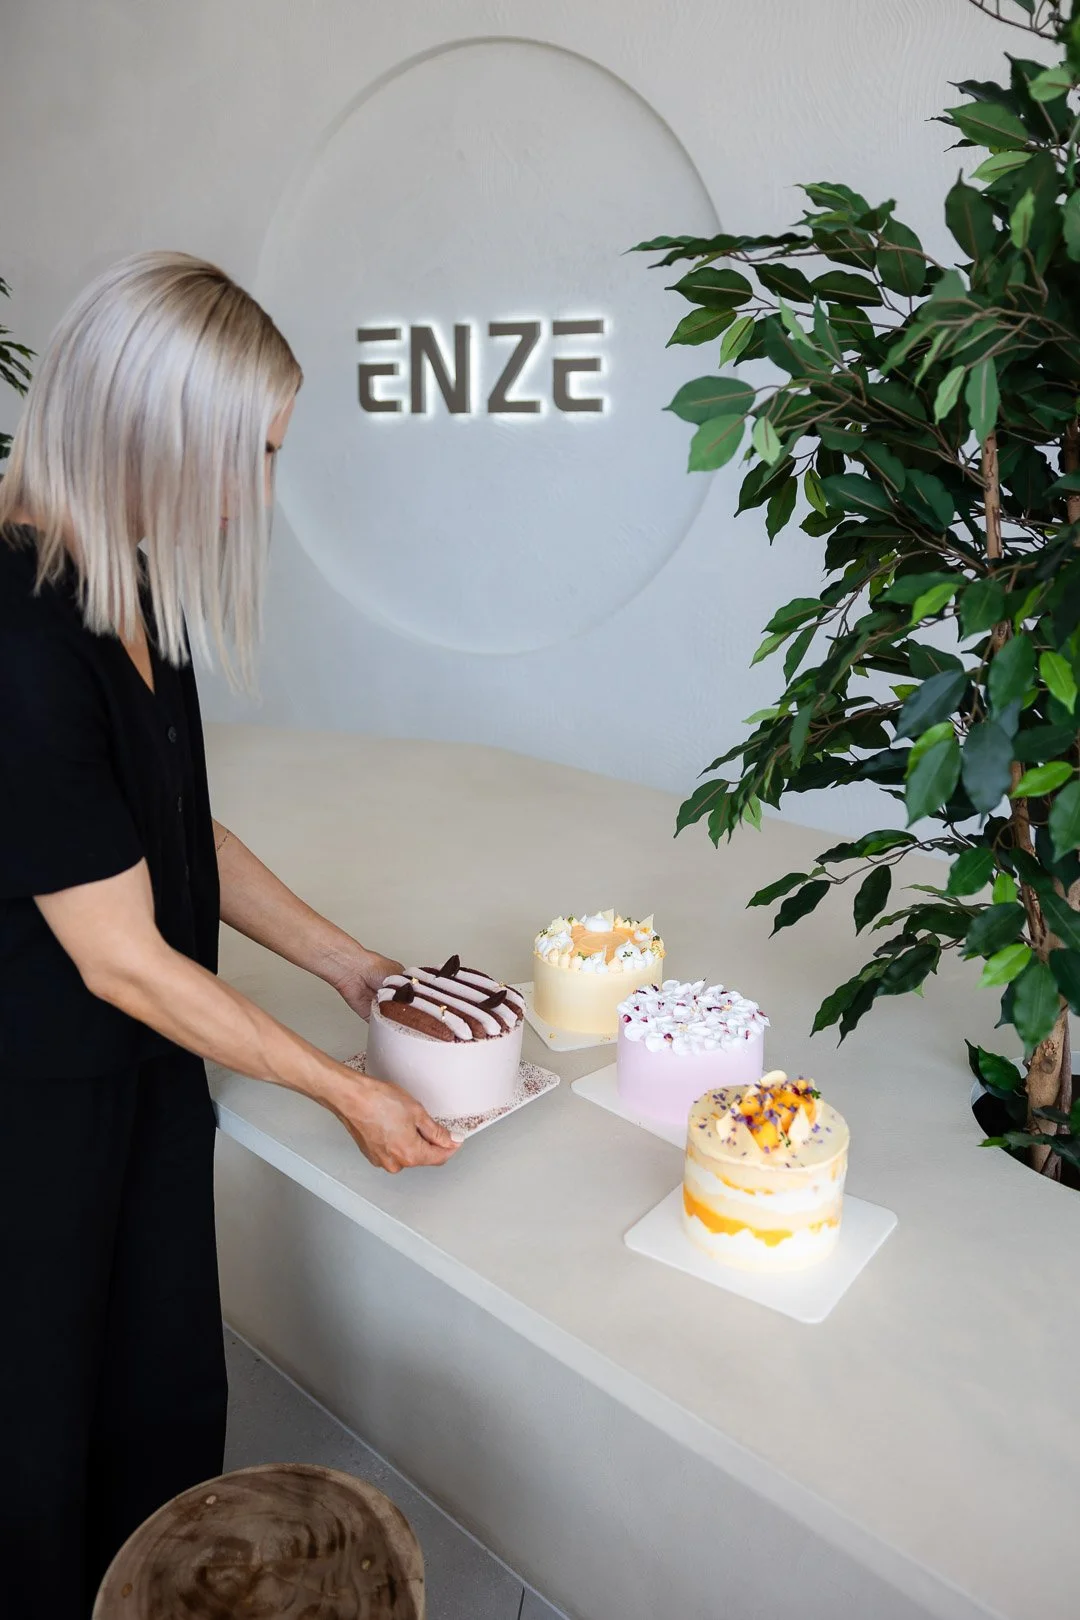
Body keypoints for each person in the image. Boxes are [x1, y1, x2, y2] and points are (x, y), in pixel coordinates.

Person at [0, 251, 458, 1619]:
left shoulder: (129, 588)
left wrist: (356, 968)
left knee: (159, 1399)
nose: (256, 493)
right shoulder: (19, 639)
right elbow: (121, 955)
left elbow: (181, 831)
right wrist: (344, 1086)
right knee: (40, 1437)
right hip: (39, 1106)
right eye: (245, 456)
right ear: (151, 435)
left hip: (145, 1076)